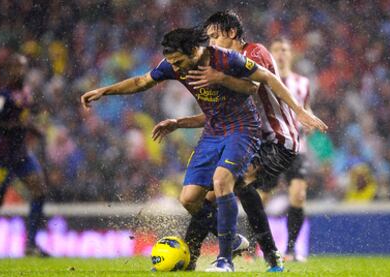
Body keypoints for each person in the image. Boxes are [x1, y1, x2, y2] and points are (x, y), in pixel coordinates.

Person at [81, 27, 326, 272]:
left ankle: (225, 260)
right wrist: (105, 91)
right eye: (172, 63)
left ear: (194, 51)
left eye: (179, 62)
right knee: (189, 199)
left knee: (222, 182)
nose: (175, 68)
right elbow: (141, 81)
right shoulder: (172, 65)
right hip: (213, 132)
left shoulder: (226, 59)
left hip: (243, 129)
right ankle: (230, 239)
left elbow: (264, 80)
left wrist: (299, 111)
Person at [151, 11, 327, 271]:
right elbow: (221, 112)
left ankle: (266, 255)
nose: (209, 43)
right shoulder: (223, 64)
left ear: (232, 33)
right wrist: (179, 122)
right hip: (251, 138)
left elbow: (253, 89)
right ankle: (192, 259)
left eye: (213, 36)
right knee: (208, 196)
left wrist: (300, 111)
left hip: (276, 141)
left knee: (237, 183)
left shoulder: (253, 54)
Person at [0, 54, 48, 256]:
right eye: (16, 67)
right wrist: (19, 126)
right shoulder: (1, 95)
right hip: (1, 157)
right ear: (9, 70)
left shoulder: (26, 92)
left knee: (39, 190)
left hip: (21, 155)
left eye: (23, 67)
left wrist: (33, 127)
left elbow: (26, 117)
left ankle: (30, 244)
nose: (20, 71)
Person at [268, 37, 312, 262]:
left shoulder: (302, 83)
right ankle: (252, 247)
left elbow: (306, 109)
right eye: (276, 49)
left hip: (297, 148)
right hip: (272, 147)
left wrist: (310, 121)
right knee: (260, 197)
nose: (281, 53)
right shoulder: (264, 81)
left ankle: (291, 250)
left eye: (285, 49)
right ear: (271, 54)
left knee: (299, 194)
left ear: (291, 54)